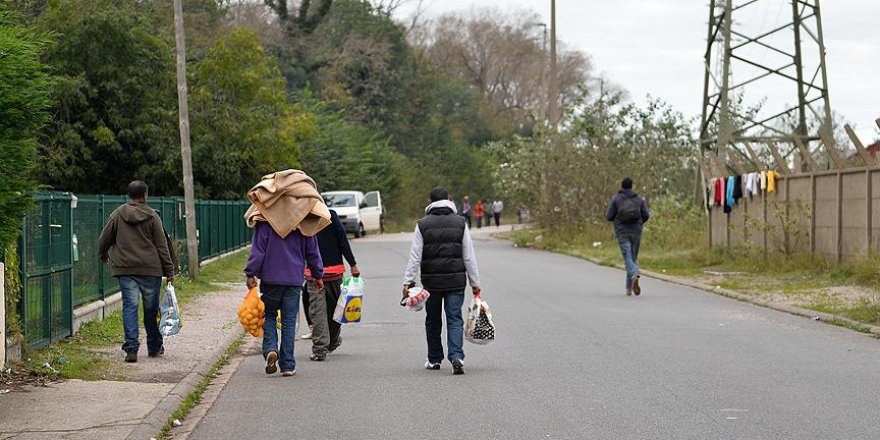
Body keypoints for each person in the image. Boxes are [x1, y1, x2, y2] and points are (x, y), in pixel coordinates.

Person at [244, 169, 329, 377]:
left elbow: (258, 251)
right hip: (293, 279)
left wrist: (250, 273)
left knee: (270, 315)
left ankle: (271, 349)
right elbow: (313, 253)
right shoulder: (304, 223)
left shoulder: (265, 222)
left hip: (271, 279)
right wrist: (318, 276)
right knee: (290, 321)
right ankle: (288, 365)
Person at [403, 187, 481, 375]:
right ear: (448, 200)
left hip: (431, 282)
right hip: (456, 281)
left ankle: (434, 359)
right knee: (454, 318)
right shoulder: (460, 223)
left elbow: (415, 256)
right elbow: (468, 256)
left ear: (430, 201)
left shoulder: (422, 224)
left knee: (433, 320)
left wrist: (408, 281)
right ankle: (456, 356)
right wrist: (475, 283)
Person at [99, 181, 176, 363]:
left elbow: (104, 238)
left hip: (126, 269)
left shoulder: (118, 214)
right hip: (151, 269)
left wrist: (103, 253)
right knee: (150, 310)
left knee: (130, 307)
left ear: (130, 195)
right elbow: (161, 245)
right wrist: (169, 269)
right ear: (145, 195)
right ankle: (154, 346)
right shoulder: (152, 216)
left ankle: (131, 348)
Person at [305, 209, 360, 361]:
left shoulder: (302, 217)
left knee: (318, 312)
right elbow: (342, 240)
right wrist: (353, 264)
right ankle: (332, 342)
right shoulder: (330, 215)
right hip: (335, 271)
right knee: (337, 310)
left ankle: (320, 350)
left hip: (313, 273)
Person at [605, 177, 650, 296]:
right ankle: (629, 288)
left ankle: (635, 274)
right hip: (636, 232)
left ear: (622, 186)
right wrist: (639, 224)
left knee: (628, 258)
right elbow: (646, 215)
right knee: (632, 259)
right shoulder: (639, 199)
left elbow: (609, 216)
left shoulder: (616, 199)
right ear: (632, 186)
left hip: (622, 232)